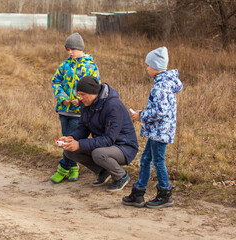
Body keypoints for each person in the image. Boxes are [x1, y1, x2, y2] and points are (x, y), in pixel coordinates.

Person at [122, 46, 183, 208]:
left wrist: (141, 116)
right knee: (146, 159)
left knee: (157, 161)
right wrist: (144, 112)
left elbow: (160, 111)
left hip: (160, 132)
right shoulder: (164, 83)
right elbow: (159, 109)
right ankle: (139, 192)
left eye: (148, 65)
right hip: (157, 131)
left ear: (156, 67)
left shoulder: (161, 87)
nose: (147, 68)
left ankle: (165, 193)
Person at [57, 76, 139, 191]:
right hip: (105, 144)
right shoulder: (86, 105)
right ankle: (104, 172)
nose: (80, 98)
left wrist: (79, 144)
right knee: (69, 151)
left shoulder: (113, 106)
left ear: (92, 93)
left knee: (98, 153)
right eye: (79, 95)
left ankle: (121, 176)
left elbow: (109, 139)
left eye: (82, 94)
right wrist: (71, 138)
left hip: (124, 147)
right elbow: (83, 128)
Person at [50, 32, 100, 184]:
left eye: (72, 49)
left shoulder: (90, 66)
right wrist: (63, 98)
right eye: (68, 49)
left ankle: (62, 169)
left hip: (79, 112)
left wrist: (80, 99)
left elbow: (95, 87)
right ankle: (74, 168)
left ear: (80, 48)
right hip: (64, 110)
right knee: (66, 137)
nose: (70, 52)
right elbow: (55, 81)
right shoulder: (64, 65)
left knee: (70, 140)